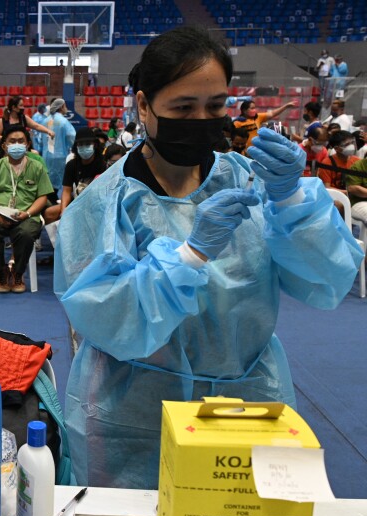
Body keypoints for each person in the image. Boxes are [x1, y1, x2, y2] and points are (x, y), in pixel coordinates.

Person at [54, 26, 362, 489]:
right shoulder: (105, 204)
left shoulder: (251, 184)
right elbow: (108, 321)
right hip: (134, 417)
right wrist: (190, 254)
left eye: (215, 106)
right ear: (143, 106)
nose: (201, 120)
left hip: (247, 404)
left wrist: (292, 201)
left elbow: (326, 279)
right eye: (183, 108)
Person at [0, 124, 53, 293]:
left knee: (26, 234)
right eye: (12, 141)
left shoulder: (37, 167)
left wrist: (27, 213)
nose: (17, 145)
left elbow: (43, 197)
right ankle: (2, 271)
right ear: (4, 145)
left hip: (27, 215)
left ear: (28, 144)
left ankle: (18, 273)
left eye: (21, 141)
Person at [233, 99, 298, 148]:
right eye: (252, 108)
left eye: (255, 108)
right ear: (244, 110)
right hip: (243, 149)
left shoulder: (258, 117)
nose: (254, 110)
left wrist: (286, 106)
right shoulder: (237, 122)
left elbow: (272, 113)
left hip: (256, 149)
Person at [44, 98, 77, 193]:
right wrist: (74, 149)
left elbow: (39, 138)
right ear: (61, 107)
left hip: (46, 156)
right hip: (60, 156)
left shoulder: (45, 121)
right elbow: (71, 136)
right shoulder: (64, 121)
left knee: (47, 182)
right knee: (61, 183)